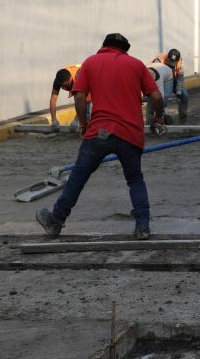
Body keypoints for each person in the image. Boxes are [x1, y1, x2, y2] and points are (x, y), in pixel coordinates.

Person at [36, 33, 164, 240]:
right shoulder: (136, 65)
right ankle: (143, 227)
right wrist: (158, 117)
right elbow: (156, 96)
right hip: (130, 133)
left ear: (104, 46)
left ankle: (55, 221)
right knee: (135, 179)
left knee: (78, 177)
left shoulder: (91, 62)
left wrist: (84, 125)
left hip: (99, 133)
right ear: (124, 49)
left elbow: (79, 96)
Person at [149, 49, 188, 123]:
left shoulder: (180, 63)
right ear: (167, 58)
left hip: (173, 80)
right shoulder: (158, 61)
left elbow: (180, 79)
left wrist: (178, 92)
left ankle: (183, 122)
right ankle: (152, 122)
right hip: (159, 80)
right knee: (155, 100)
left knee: (184, 96)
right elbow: (153, 77)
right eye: (169, 61)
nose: (170, 64)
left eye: (173, 63)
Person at [49, 64, 90, 130]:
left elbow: (82, 101)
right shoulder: (58, 79)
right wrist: (53, 119)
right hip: (76, 83)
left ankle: (88, 132)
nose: (64, 88)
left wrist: (76, 120)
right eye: (62, 86)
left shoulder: (79, 77)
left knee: (87, 112)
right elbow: (53, 99)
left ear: (71, 78)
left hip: (92, 81)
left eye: (66, 85)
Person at [146, 62, 175, 127]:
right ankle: (149, 124)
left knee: (163, 101)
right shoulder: (141, 74)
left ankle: (163, 121)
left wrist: (158, 116)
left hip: (168, 77)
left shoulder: (158, 80)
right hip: (157, 69)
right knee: (150, 104)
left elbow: (159, 98)